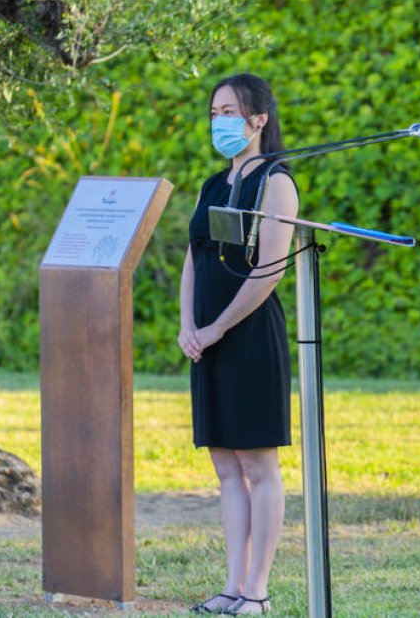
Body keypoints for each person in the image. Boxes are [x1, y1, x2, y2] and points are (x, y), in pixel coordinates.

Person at [178, 73, 299, 615]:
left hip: (247, 335)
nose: (218, 121)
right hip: (204, 338)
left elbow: (270, 269)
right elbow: (194, 256)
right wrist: (188, 324)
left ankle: (257, 590)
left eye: (229, 111)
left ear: (258, 120)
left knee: (257, 466)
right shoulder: (210, 185)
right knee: (226, 467)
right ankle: (231, 586)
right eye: (213, 112)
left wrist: (218, 326)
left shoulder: (276, 183)